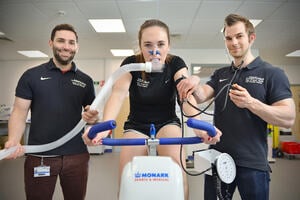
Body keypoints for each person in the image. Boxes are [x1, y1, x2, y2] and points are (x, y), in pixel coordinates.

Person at [82, 19, 222, 200]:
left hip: (167, 123)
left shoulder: (175, 63)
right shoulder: (131, 63)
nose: (154, 51)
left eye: (161, 44)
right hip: (136, 125)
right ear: (140, 46)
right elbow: (117, 95)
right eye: (148, 45)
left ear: (168, 46)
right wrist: (105, 128)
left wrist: (199, 127)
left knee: (179, 175)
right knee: (126, 177)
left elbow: (185, 95)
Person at [176, 14, 296, 200]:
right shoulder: (221, 74)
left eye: (239, 36)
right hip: (218, 159)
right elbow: (199, 96)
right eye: (229, 38)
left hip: (253, 163)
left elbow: (288, 117)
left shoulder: (271, 73)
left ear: (251, 37)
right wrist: (193, 80)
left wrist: (251, 103)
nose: (234, 42)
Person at [4, 24, 99, 200]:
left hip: (76, 155)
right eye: (61, 41)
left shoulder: (85, 81)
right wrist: (14, 140)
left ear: (76, 46)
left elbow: (91, 116)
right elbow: (19, 111)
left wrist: (93, 118)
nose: (66, 46)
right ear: (51, 43)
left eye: (71, 42)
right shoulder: (31, 76)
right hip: (40, 155)